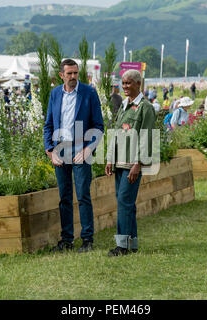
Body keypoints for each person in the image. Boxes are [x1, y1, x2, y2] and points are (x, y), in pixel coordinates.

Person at [44, 59, 104, 253]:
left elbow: (98, 126)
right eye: (69, 74)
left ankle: (87, 240)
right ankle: (66, 240)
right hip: (60, 152)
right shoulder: (54, 94)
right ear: (61, 75)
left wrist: (88, 149)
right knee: (64, 197)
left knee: (83, 195)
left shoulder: (89, 93)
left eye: (75, 73)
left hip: (82, 151)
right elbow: (48, 126)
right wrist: (50, 150)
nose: (73, 77)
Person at [105, 69, 156, 256]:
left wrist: (139, 163)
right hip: (119, 163)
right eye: (123, 83)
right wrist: (110, 158)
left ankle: (122, 246)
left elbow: (148, 137)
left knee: (124, 202)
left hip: (132, 164)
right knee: (126, 203)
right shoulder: (124, 105)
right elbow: (116, 134)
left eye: (129, 83)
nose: (125, 86)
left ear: (138, 84)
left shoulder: (146, 108)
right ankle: (132, 244)